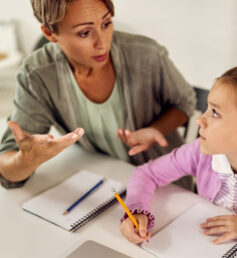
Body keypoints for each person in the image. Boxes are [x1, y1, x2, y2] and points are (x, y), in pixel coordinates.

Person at [0, 0, 195, 189]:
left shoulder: (147, 54)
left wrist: (156, 129)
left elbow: (184, 102)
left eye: (106, 23)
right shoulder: (37, 75)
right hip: (104, 185)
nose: (102, 43)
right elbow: (7, 168)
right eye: (85, 33)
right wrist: (26, 160)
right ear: (50, 33)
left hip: (167, 186)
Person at [120, 66, 237, 257]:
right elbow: (147, 173)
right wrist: (136, 212)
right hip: (206, 253)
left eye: (214, 113)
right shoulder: (200, 153)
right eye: (207, 108)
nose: (200, 120)